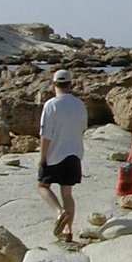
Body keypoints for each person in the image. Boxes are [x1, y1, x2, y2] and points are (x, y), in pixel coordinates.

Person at [37, 68, 88, 242]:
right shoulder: (79, 104)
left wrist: (42, 157)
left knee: (43, 186)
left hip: (55, 154)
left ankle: (59, 213)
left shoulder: (51, 105)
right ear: (70, 84)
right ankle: (68, 232)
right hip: (74, 153)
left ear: (54, 84)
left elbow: (46, 134)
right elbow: (83, 128)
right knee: (67, 193)